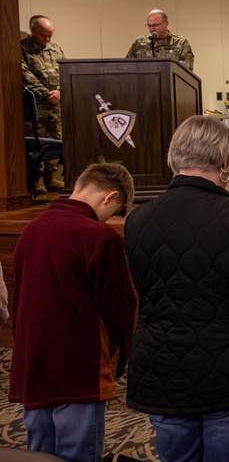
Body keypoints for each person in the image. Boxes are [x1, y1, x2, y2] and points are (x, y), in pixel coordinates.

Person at [124, 115, 229, 462]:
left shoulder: (136, 220)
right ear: (225, 160)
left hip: (163, 367)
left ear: (175, 157)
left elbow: (146, 288)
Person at [10, 161, 136, 462]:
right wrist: (116, 363)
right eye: (116, 211)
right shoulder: (99, 238)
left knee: (37, 456)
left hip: (33, 366)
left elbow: (20, 302)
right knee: (78, 456)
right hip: (79, 371)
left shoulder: (30, 230)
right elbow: (119, 309)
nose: (110, 219)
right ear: (110, 196)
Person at [21, 14, 66, 194]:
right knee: (37, 139)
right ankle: (36, 180)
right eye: (43, 35)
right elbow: (23, 73)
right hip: (37, 103)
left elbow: (65, 70)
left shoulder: (55, 49)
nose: (47, 39)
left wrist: (61, 91)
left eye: (50, 35)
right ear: (32, 31)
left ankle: (50, 178)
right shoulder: (22, 48)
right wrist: (45, 93)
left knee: (56, 137)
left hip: (57, 104)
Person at [126, 9, 195, 70]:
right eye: (149, 25)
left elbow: (186, 72)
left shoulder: (181, 43)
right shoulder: (139, 43)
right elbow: (127, 67)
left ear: (166, 23)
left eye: (155, 25)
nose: (152, 29)